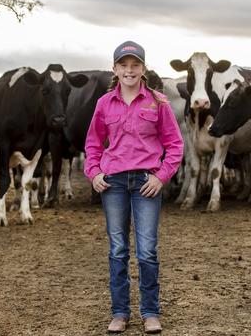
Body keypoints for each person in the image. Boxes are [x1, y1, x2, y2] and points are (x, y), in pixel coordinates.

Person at [84, 40, 183, 334]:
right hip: (113, 183)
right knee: (117, 250)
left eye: (135, 65)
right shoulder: (104, 104)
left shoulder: (158, 102)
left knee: (148, 250)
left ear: (143, 68)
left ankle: (151, 313)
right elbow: (92, 143)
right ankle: (120, 313)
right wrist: (93, 172)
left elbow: (175, 145)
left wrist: (161, 176)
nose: (129, 70)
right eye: (124, 65)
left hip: (146, 183)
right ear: (115, 69)